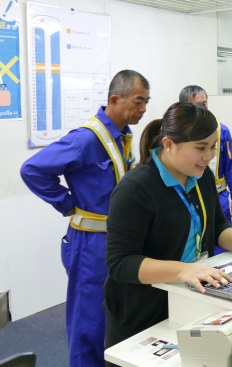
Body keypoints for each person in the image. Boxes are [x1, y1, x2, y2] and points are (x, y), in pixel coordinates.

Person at [104, 102, 232, 355]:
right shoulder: (135, 189)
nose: (208, 157)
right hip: (144, 311)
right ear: (168, 144)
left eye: (212, 147)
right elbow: (120, 263)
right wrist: (182, 270)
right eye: (200, 148)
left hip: (193, 298)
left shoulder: (201, 176)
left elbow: (218, 227)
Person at [20, 70, 150, 367]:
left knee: (113, 314)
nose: (143, 109)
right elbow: (32, 170)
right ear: (115, 99)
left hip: (118, 240)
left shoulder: (124, 137)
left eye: (147, 102)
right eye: (139, 101)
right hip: (90, 244)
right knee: (88, 323)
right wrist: (66, 204)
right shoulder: (85, 139)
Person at [179, 85, 232, 231]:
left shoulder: (221, 130)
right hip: (188, 197)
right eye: (197, 105)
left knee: (222, 235)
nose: (203, 109)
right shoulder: (178, 133)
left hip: (218, 197)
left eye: (204, 103)